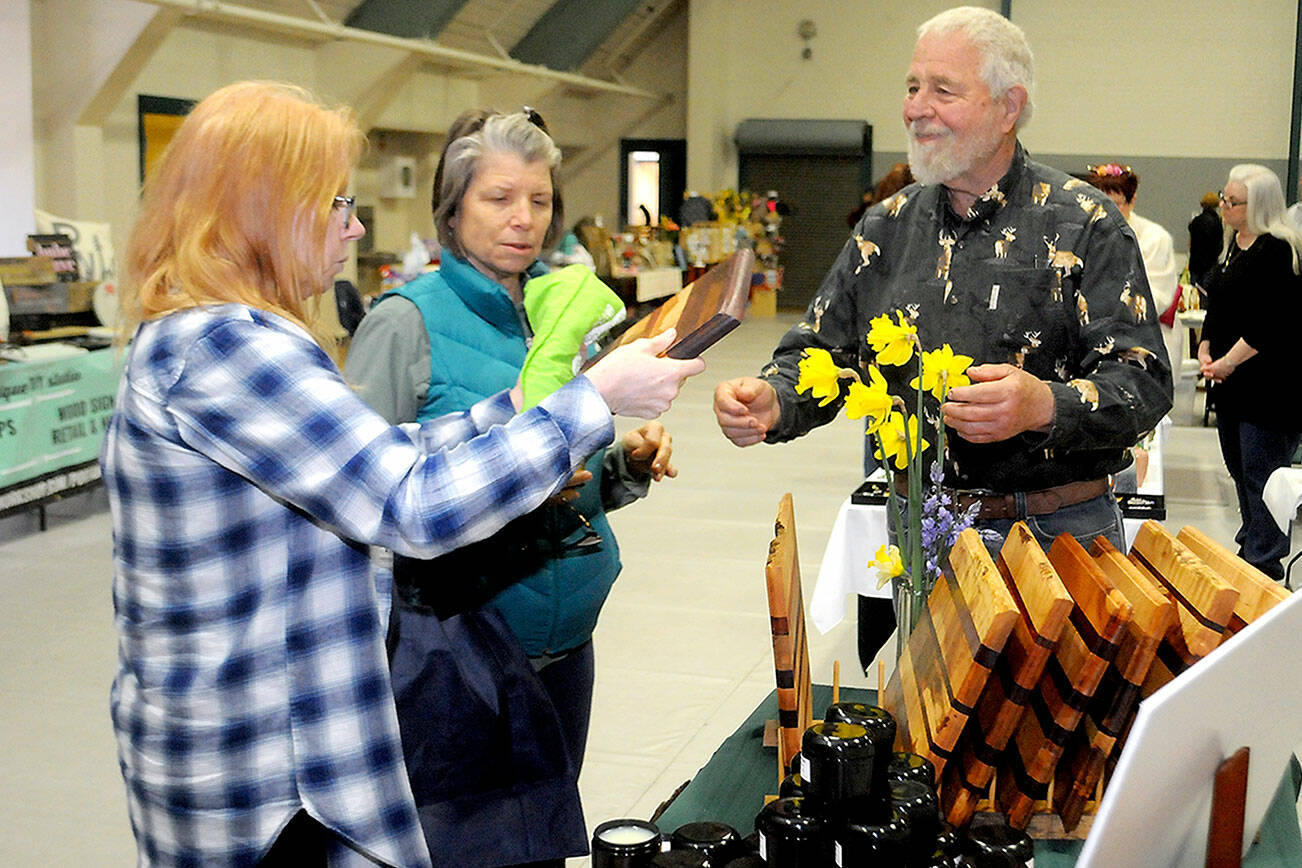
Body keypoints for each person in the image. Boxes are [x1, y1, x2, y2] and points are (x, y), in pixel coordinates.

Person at [101, 81, 702, 868]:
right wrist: (592, 400)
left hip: (294, 750)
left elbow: (386, 454)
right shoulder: (226, 347)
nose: (354, 227)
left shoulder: (223, 335)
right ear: (261, 210)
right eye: (335, 204)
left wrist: (523, 405)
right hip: (264, 779)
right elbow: (408, 502)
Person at [713, 6, 1172, 652]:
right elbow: (821, 355)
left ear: (1009, 107)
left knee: (1056, 746)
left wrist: (1046, 404)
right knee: (934, 740)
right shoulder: (887, 228)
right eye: (911, 87)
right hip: (926, 546)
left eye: (942, 90)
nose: (915, 108)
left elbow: (1145, 382)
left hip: (1061, 539)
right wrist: (773, 398)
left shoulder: (1084, 225)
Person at [343, 108, 680, 865]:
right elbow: (362, 501)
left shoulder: (557, 310)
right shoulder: (405, 324)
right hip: (466, 658)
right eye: (499, 198)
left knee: (541, 852)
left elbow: (558, 464)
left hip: (567, 651)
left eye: (538, 199)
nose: (524, 219)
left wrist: (622, 466)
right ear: (452, 209)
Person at [1198, 164, 1302, 582]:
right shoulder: (1233, 245)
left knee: (1263, 474)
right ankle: (1251, 542)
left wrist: (1226, 361)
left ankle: (1264, 560)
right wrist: (1206, 347)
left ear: (1256, 206)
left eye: (1232, 201)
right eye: (1223, 198)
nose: (1223, 206)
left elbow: (1269, 325)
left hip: (1270, 386)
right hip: (1233, 383)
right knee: (1239, 470)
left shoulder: (1278, 250)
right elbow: (1218, 306)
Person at [1086, 164, 1182, 369]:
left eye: (1116, 204)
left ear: (1132, 201)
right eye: (1099, 204)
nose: (1107, 211)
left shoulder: (1154, 238)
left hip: (1146, 341)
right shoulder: (1087, 236)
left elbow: (1155, 299)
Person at [1188, 190, 1224, 294]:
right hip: (1210, 266)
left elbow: (1191, 243)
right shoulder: (1217, 223)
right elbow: (1220, 246)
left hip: (1195, 264)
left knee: (1195, 295)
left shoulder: (1196, 221)